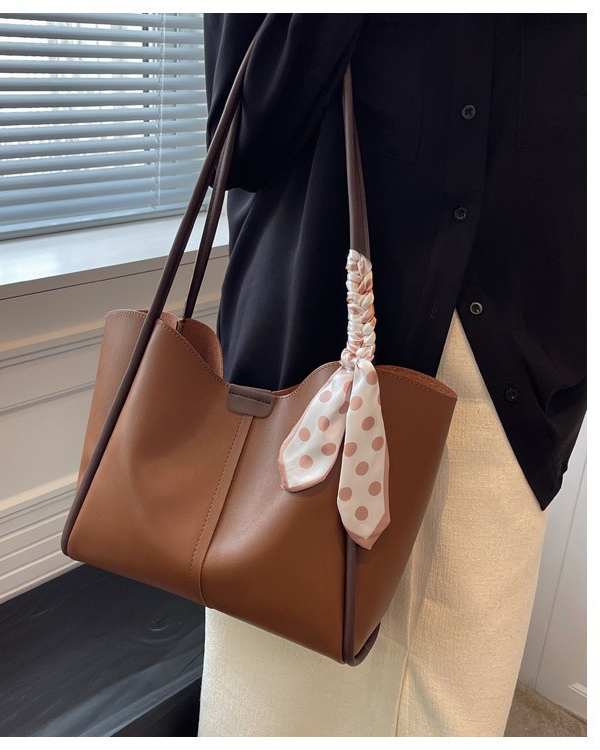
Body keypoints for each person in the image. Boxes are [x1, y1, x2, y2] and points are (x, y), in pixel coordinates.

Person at [197, 13, 586, 737]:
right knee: (274, 705)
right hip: (305, 364)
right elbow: (240, 136)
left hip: (511, 370)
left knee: (452, 708)